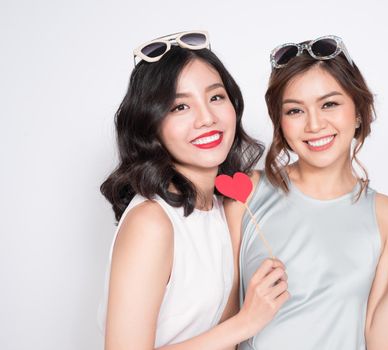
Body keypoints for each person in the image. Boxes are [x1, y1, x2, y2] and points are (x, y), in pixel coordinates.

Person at [224, 35, 388, 349]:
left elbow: (382, 343)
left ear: (359, 112)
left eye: (330, 104)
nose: (314, 124)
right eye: (295, 111)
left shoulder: (387, 215)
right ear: (279, 123)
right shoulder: (246, 194)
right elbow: (224, 326)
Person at [97, 31, 289, 350]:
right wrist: (247, 321)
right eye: (179, 107)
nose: (207, 118)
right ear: (151, 125)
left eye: (215, 97)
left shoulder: (218, 207)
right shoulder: (152, 222)